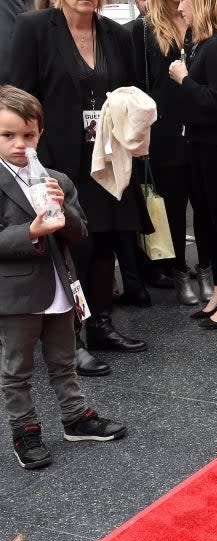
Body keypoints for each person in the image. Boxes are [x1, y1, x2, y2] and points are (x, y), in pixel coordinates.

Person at [10, 0, 148, 378]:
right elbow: (19, 96)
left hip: (108, 158)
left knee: (106, 241)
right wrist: (28, 155)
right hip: (58, 159)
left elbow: (130, 95)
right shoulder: (34, 28)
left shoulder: (116, 35)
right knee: (72, 247)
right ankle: (72, 338)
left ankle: (101, 323)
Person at [0, 85, 127, 470]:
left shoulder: (55, 178)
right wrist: (31, 232)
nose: (20, 144)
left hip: (59, 287)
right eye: (8, 135)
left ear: (40, 133)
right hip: (17, 293)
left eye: (28, 134)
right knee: (17, 367)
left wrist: (63, 209)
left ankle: (75, 416)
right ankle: (25, 430)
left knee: (64, 358)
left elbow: (79, 232)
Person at [168, 0, 217, 329]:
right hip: (202, 146)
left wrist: (184, 79)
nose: (180, 7)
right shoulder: (203, 45)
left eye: (186, 1)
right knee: (209, 224)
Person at [131, 0, 208, 307]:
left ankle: (205, 270)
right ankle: (178, 271)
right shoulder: (145, 27)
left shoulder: (201, 21)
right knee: (174, 208)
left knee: (205, 206)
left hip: (202, 125)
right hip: (164, 132)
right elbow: (136, 83)